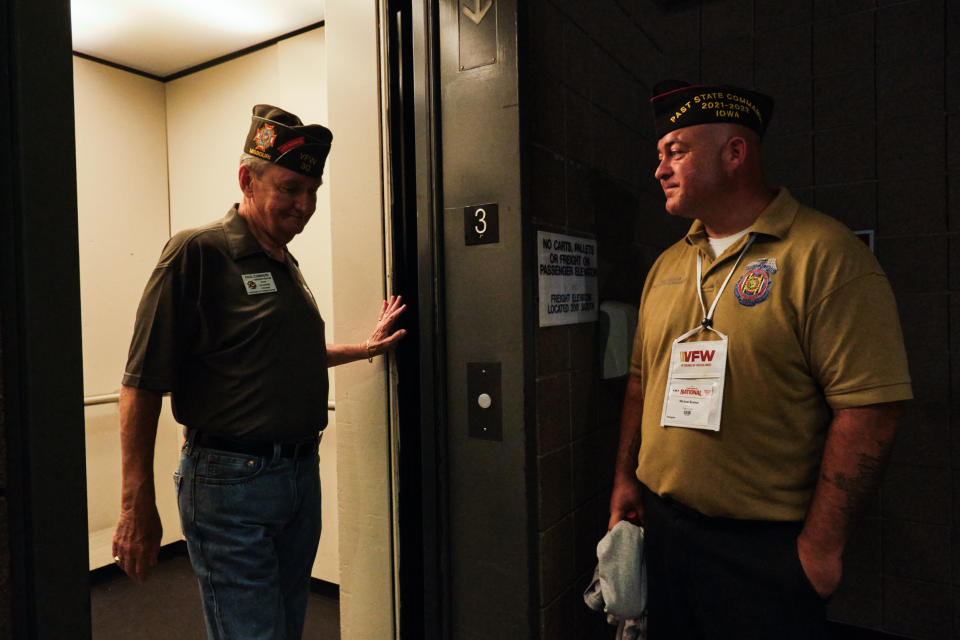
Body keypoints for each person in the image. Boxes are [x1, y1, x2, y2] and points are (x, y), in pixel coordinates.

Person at [608, 80, 912, 638]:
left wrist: (819, 550)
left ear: (735, 153)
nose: (659, 169)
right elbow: (640, 381)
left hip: (762, 549)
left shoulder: (824, 254)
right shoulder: (670, 264)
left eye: (675, 150)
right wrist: (625, 480)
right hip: (665, 530)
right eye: (659, 156)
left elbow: (871, 408)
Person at [111, 104, 406, 640]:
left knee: (284, 628)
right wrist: (135, 504)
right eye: (291, 188)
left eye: (313, 190)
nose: (305, 205)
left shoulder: (284, 263)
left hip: (297, 477)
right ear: (247, 179)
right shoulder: (197, 253)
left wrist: (365, 347)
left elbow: (286, 356)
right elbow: (139, 383)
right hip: (229, 482)